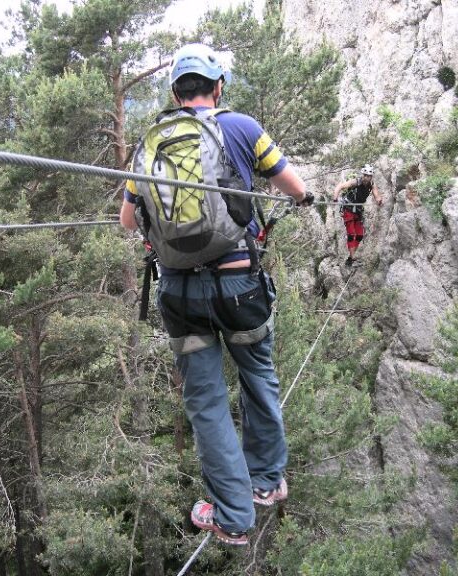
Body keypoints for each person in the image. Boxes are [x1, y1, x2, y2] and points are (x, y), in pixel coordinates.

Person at [120, 43, 312, 545]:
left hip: (181, 293)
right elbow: (293, 186)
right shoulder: (243, 128)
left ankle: (232, 515)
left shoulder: (150, 142)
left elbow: (127, 220)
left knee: (206, 402)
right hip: (239, 285)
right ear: (218, 86)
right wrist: (306, 197)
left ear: (174, 93)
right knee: (257, 377)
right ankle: (266, 483)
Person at [332, 164, 383, 266]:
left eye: (369, 176)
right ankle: (352, 259)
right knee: (351, 234)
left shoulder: (371, 184)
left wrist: (379, 200)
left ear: (371, 177)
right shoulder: (355, 182)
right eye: (365, 175)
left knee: (359, 235)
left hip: (358, 211)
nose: (367, 178)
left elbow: (376, 194)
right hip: (348, 209)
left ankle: (350, 259)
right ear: (362, 175)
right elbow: (340, 186)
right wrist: (335, 198)